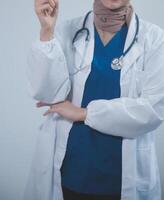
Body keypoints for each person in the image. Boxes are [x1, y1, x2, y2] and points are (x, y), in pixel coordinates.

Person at [23, 0, 164, 200]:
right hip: (71, 169)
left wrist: (84, 113)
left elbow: (153, 109)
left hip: (121, 176)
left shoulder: (154, 38)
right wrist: (47, 31)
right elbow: (47, 95)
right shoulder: (68, 30)